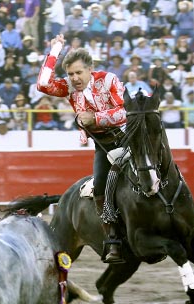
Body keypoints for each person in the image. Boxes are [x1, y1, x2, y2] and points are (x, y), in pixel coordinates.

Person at [36, 33, 126, 263]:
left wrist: (94, 118)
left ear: (90, 69)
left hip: (128, 140)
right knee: (100, 189)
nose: (74, 78)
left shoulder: (108, 80)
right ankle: (113, 241)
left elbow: (124, 112)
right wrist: (55, 49)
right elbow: (43, 83)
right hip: (103, 146)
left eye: (79, 72)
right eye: (70, 74)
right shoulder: (68, 87)